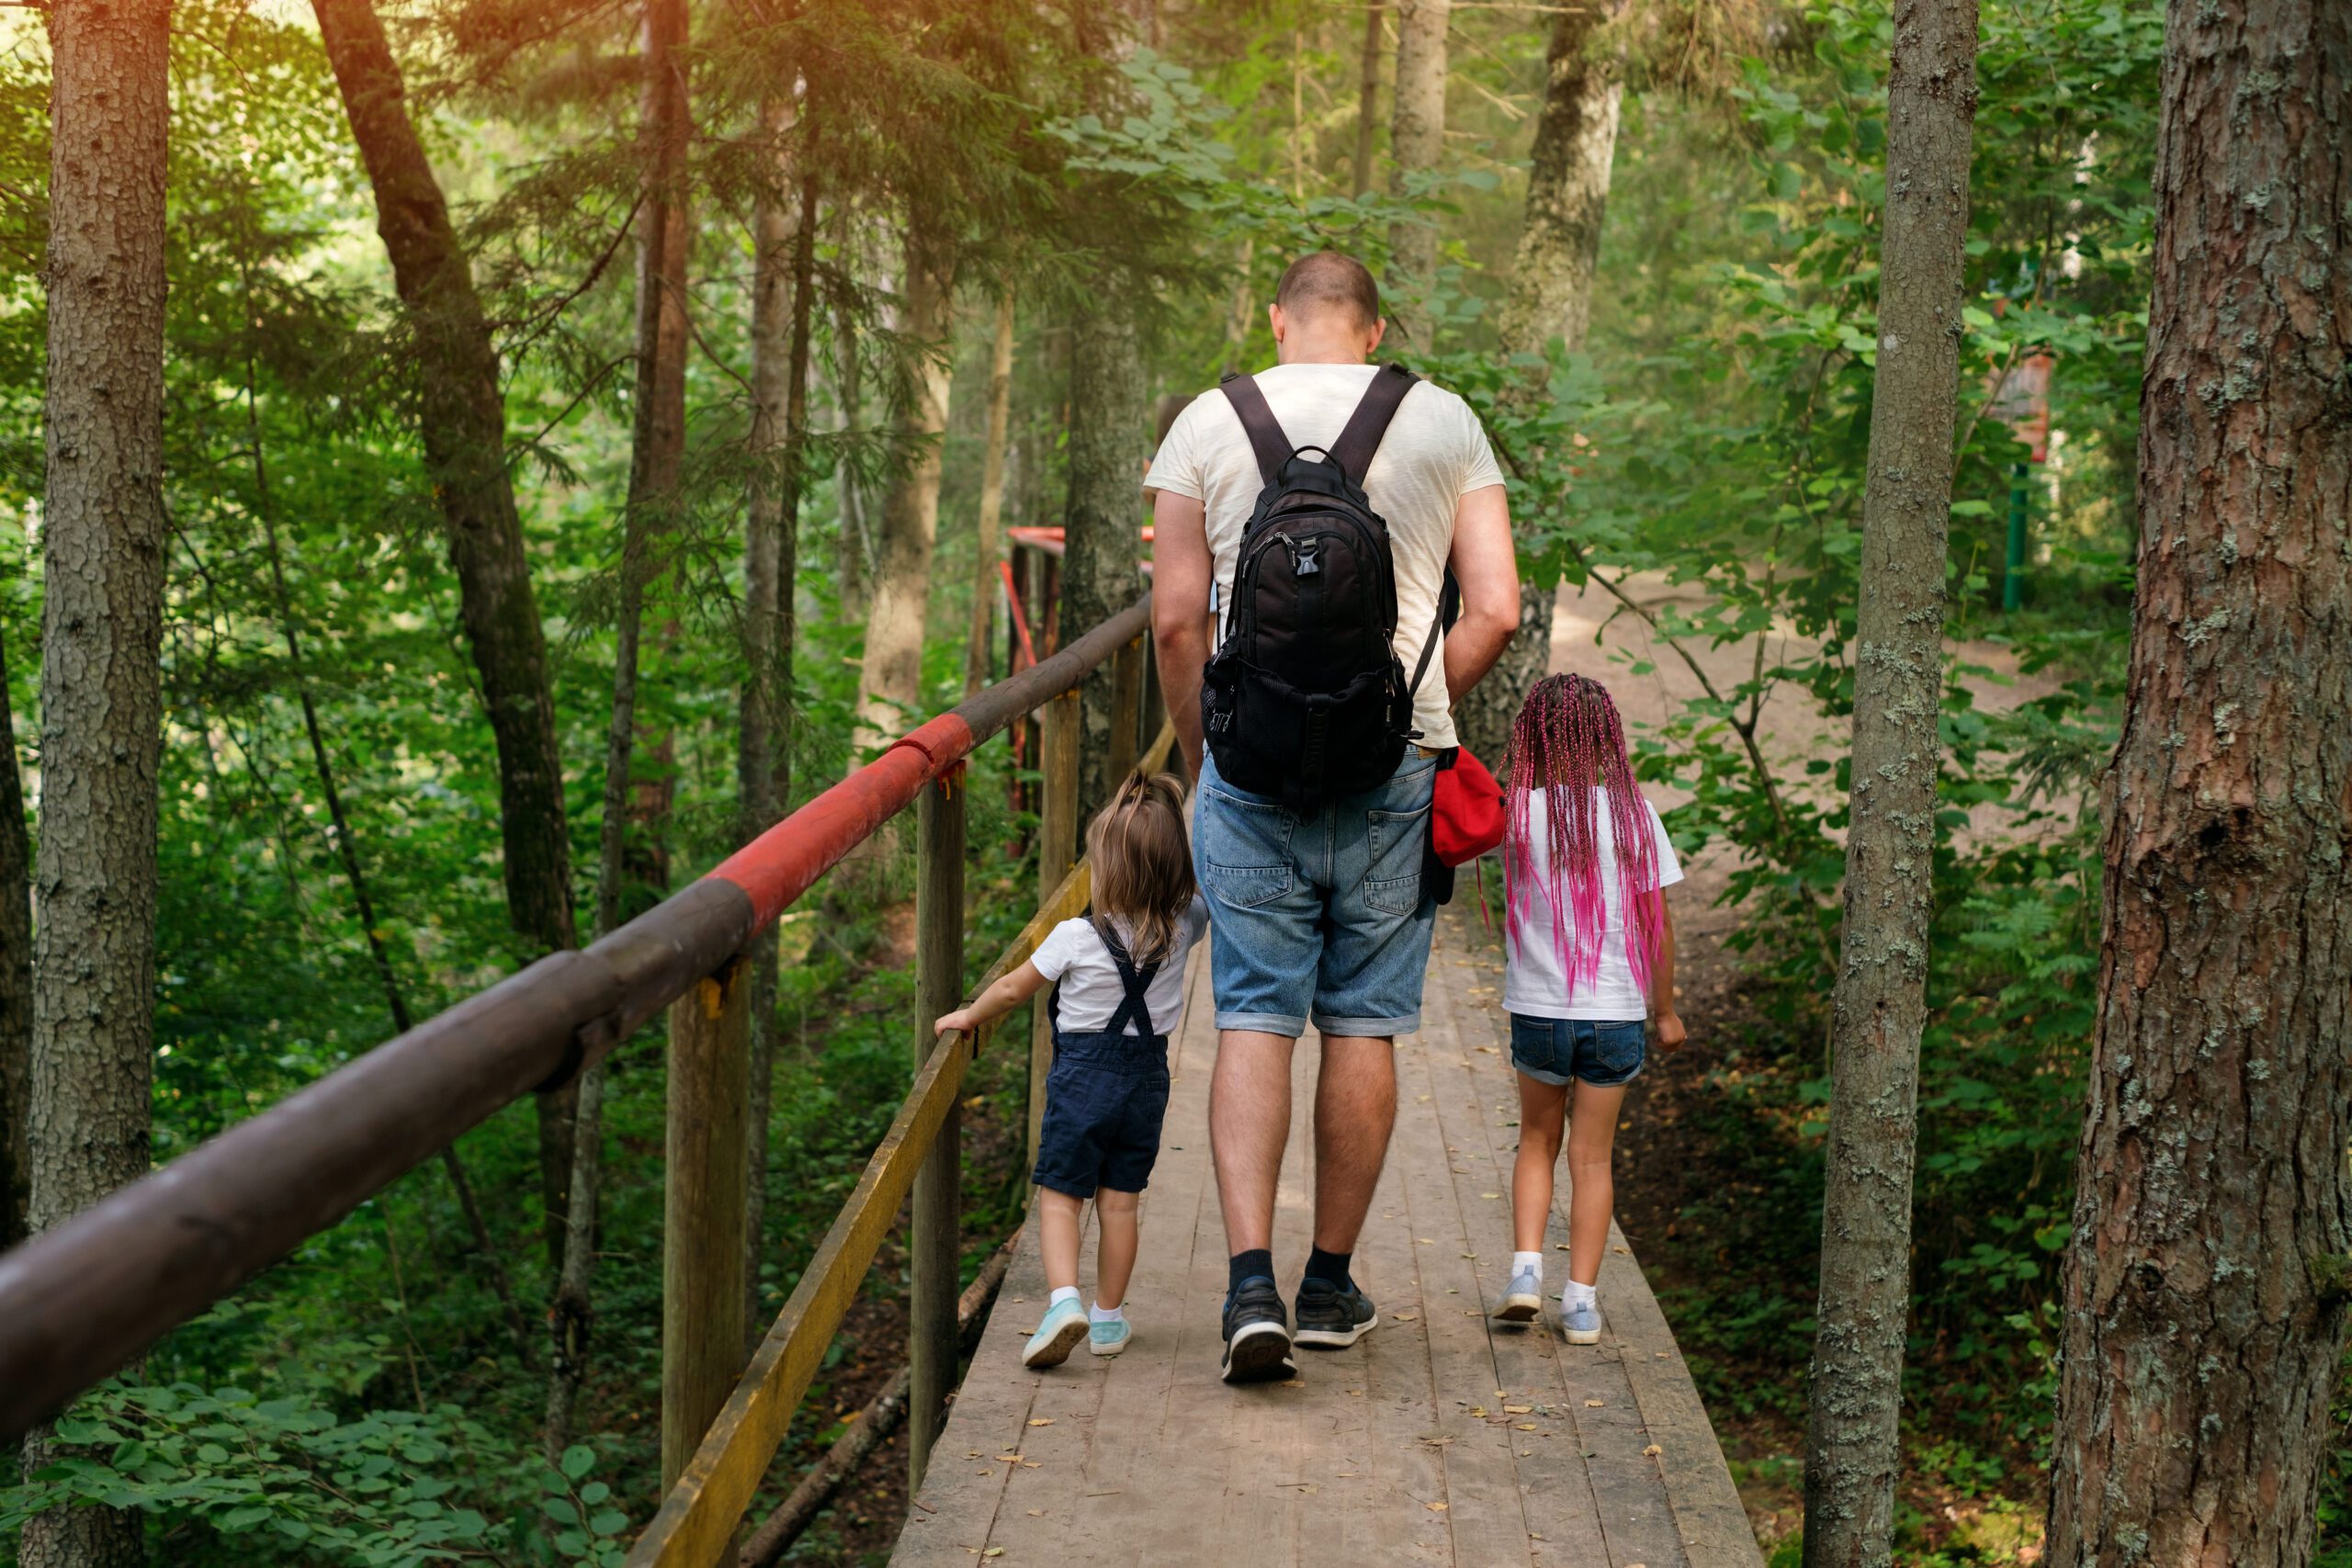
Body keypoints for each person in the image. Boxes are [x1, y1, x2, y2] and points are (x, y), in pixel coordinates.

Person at [1146, 251, 1521, 1382]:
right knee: (1362, 1019)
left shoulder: (1208, 421)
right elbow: (1497, 607)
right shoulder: (1443, 419)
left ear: (1276, 321)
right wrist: (1418, 698)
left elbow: (1172, 619)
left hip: (1248, 767)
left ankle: (1247, 1284)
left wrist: (1209, 750)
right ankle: (1326, 1286)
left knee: (1255, 1015)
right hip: (1392, 767)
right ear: (1373, 327)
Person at [934, 773, 1207, 1370]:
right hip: (1148, 1081)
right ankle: (1108, 1319)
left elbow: (1010, 989)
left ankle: (1063, 1303)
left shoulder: (1075, 936)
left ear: (1104, 870)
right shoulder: (1184, 928)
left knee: (1061, 1197)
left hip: (1084, 1076)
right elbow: (1200, 890)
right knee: (1120, 1203)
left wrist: (967, 1015)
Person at [1490, 673, 1686, 1343]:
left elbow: (1462, 833)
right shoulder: (1636, 815)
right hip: (1615, 1012)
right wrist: (1665, 1011)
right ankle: (1579, 1303)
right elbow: (1655, 923)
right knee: (1593, 1159)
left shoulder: (1518, 810)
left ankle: (1524, 1274)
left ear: (1534, 737)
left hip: (1539, 1011)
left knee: (1538, 1141)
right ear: (1607, 737)